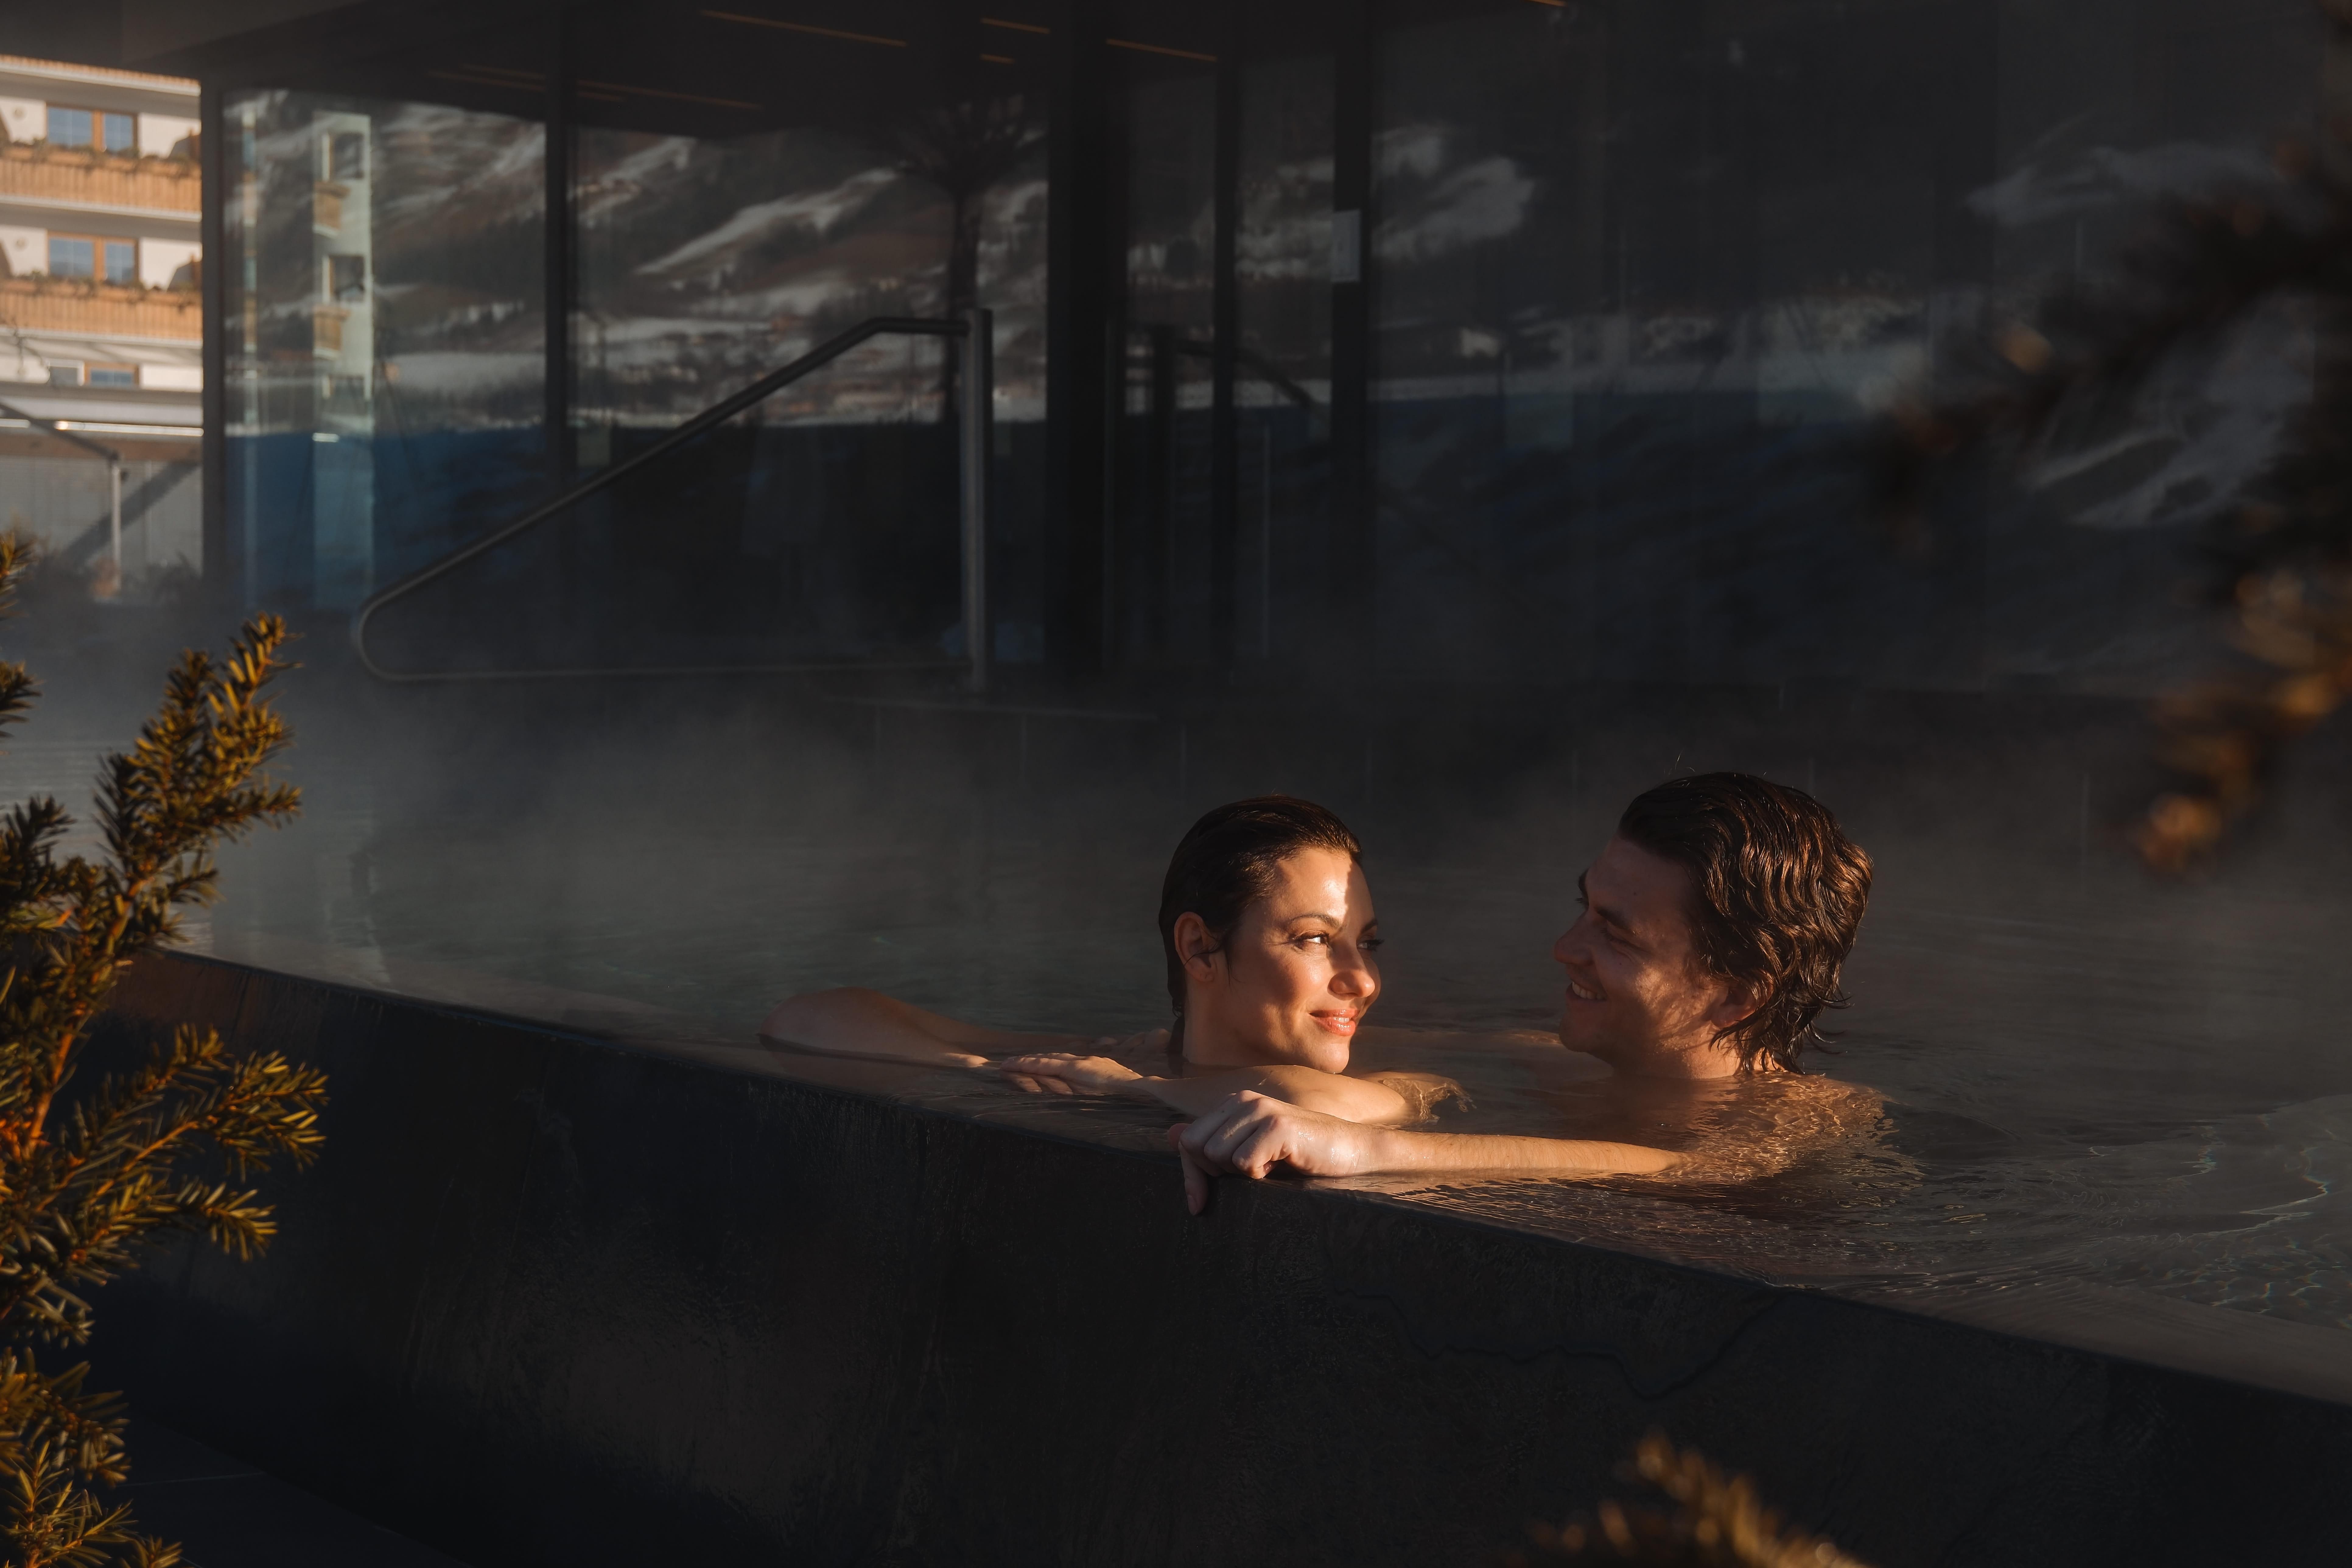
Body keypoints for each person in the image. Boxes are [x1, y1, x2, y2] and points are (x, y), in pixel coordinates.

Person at [1168, 771, 1877, 1212]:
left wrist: (1363, 1148)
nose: (1565, 947)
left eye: (1617, 934)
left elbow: (1687, 1169)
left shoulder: (1810, 1116)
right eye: (1585, 907)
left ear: (1737, 998)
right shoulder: (1551, 1060)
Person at [758, 797, 1456, 1124]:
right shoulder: (1119, 1058)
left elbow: (1317, 1104)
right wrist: (985, 1067)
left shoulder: (1400, 1081)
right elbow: (808, 1017)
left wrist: (1130, 1088)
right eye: (1314, 938)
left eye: (1366, 942)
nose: (1363, 979)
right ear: (1199, 948)